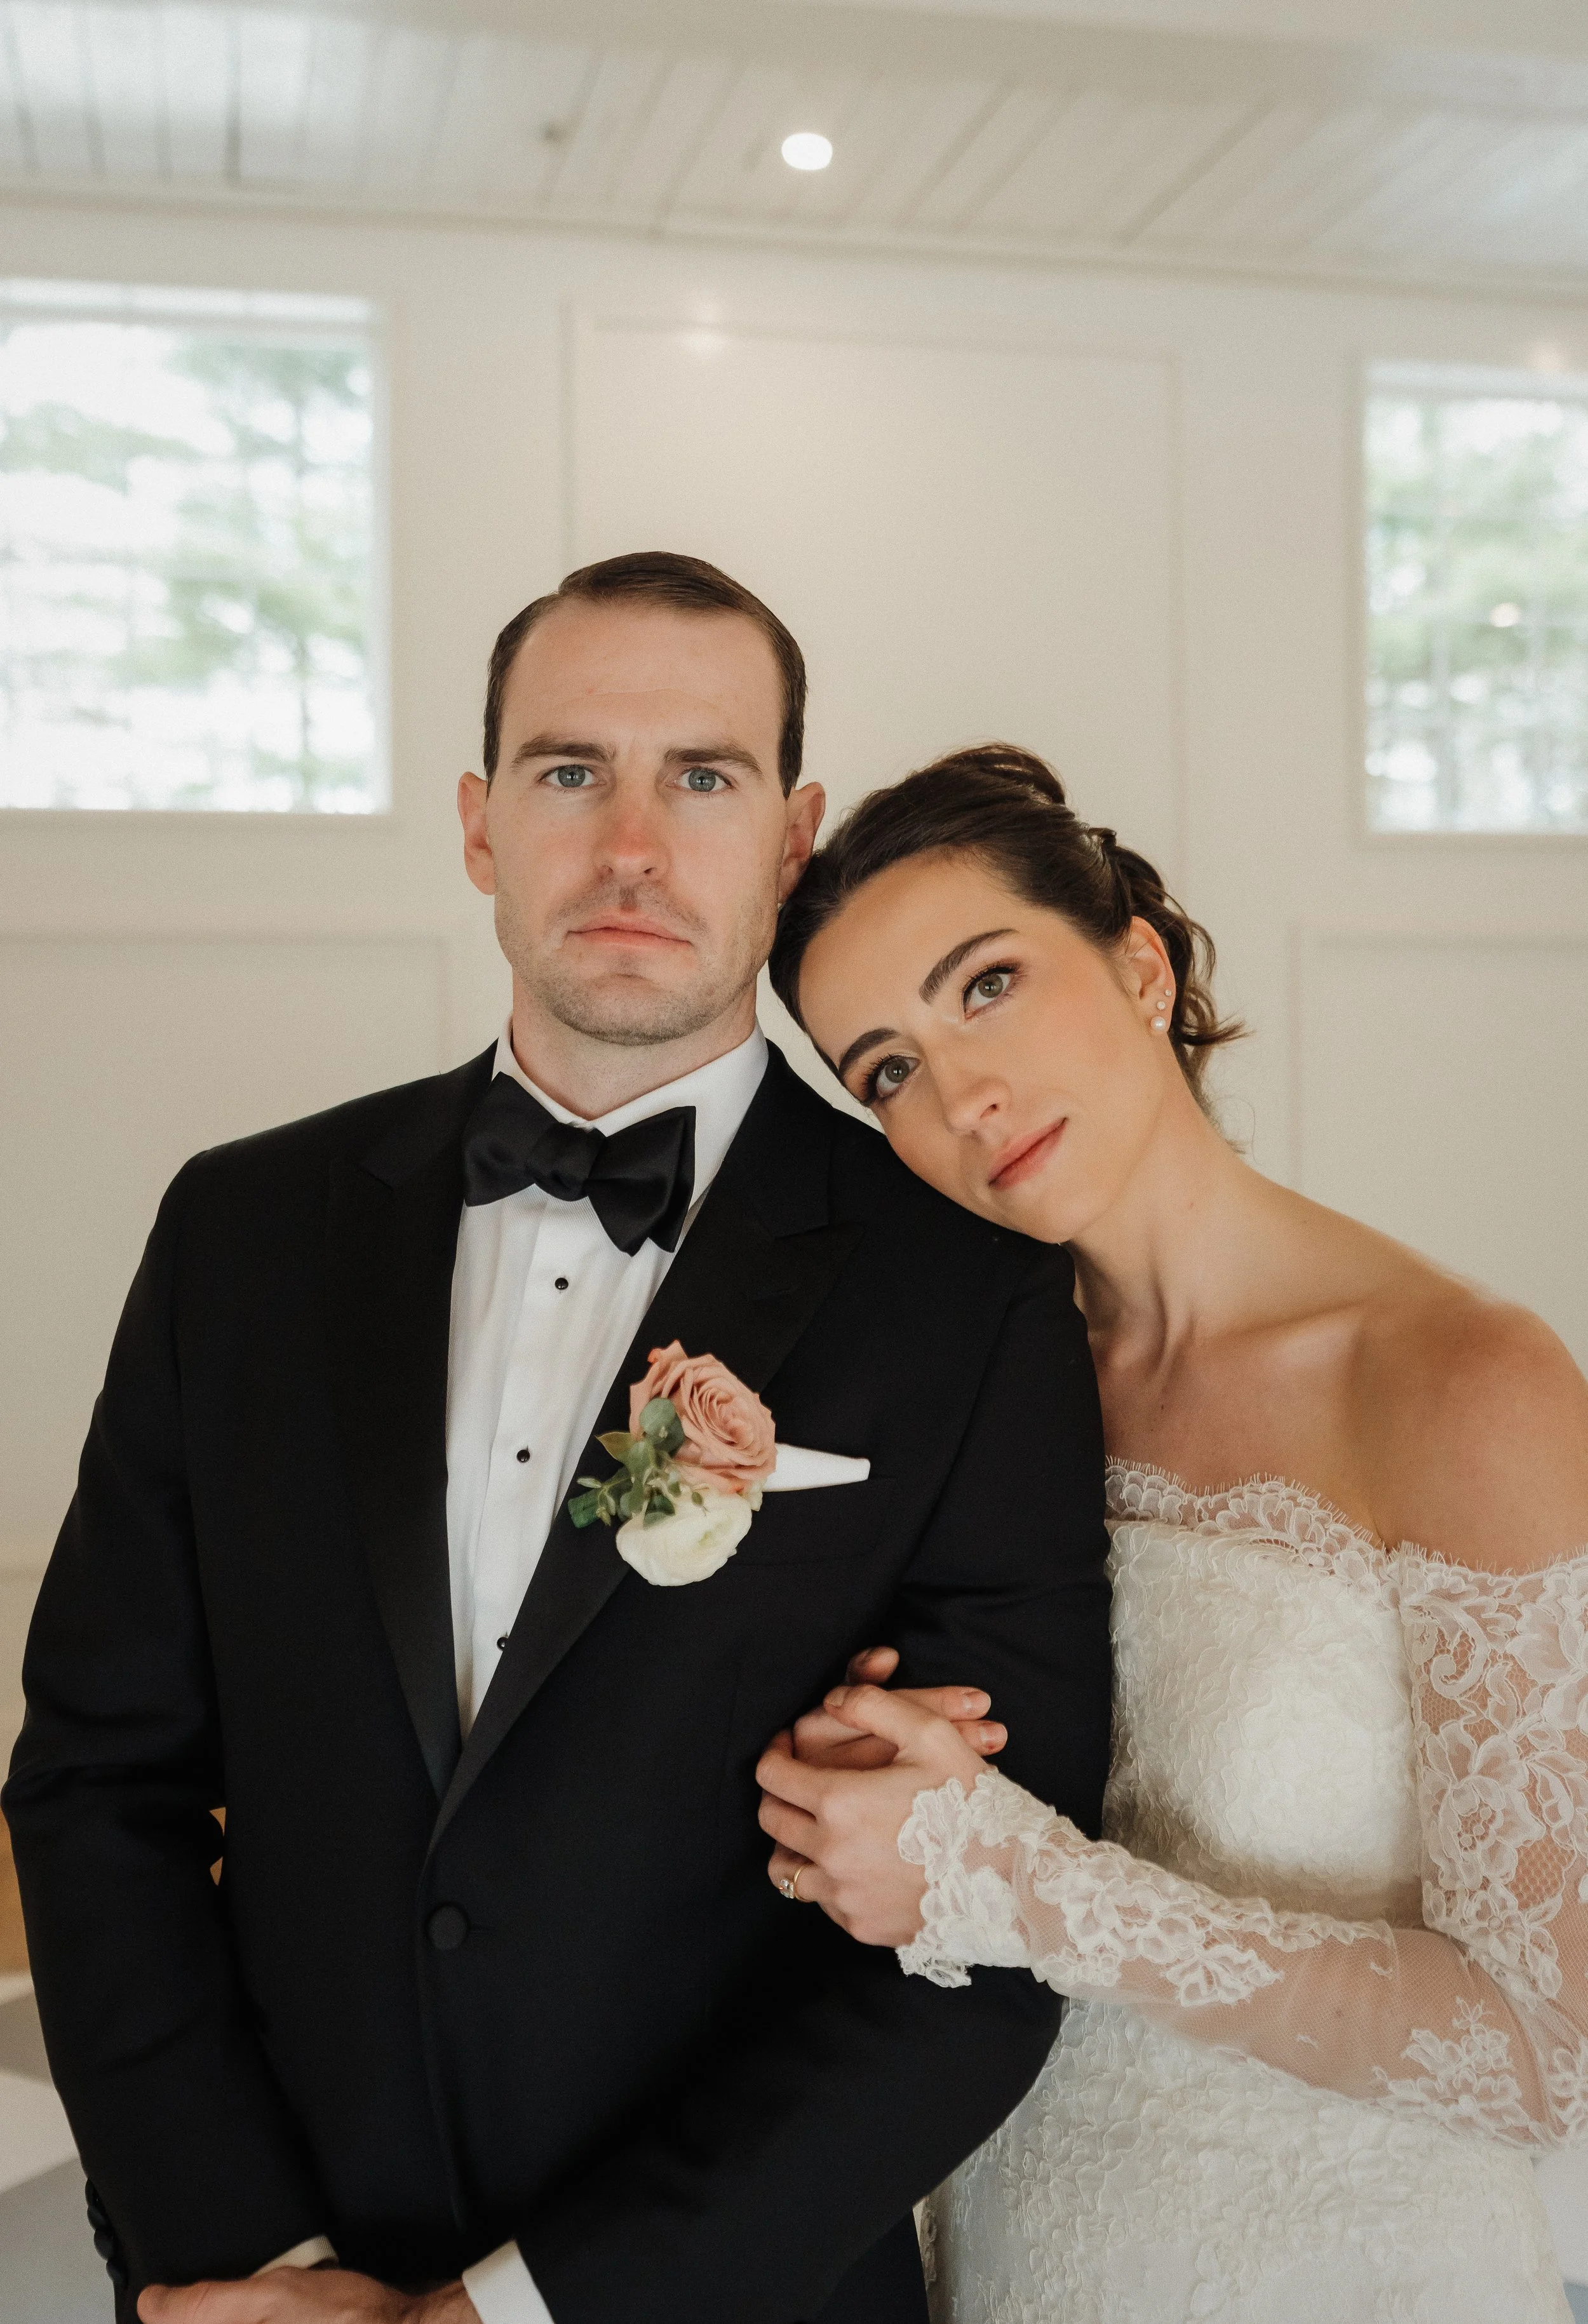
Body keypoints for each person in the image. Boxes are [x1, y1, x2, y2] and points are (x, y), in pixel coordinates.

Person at [4, 563, 1113, 2324]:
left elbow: (984, 1935)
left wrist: (515, 2311)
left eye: (704, 774)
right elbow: (96, 1785)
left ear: (789, 832)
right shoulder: (241, 1228)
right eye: (567, 769)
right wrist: (259, 2262)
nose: (632, 846)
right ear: (477, 823)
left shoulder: (969, 1299)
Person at [757, 742, 1588, 2324]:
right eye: (882, 1070)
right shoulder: (951, 1411)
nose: (958, 1094)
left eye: (985, 983)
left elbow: (1537, 2048)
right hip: (1016, 2261)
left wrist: (1021, 1879)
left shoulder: (1457, 1381)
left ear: (1137, 963)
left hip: (1364, 2270)